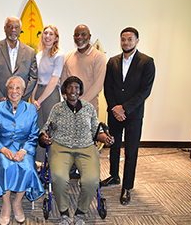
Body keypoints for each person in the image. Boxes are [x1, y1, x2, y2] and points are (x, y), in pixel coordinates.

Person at [39, 76, 114, 225]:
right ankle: (64, 213)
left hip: (85, 147)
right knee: (59, 177)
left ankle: (81, 212)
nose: (73, 90)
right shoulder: (57, 108)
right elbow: (45, 129)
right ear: (65, 91)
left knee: (92, 180)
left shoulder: (89, 108)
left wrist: (105, 138)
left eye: (77, 88)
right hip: (60, 147)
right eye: (70, 87)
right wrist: (44, 138)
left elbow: (95, 131)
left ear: (80, 91)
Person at [102, 27, 155, 206]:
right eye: (123, 39)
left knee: (131, 151)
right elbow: (108, 87)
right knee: (114, 146)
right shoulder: (112, 61)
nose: (126, 42)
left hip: (133, 115)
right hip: (114, 114)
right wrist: (114, 108)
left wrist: (124, 108)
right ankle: (114, 176)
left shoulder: (147, 62)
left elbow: (145, 91)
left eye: (130, 39)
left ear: (137, 41)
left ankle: (127, 186)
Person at [0, 76, 45, 225]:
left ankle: (17, 203)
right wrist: (2, 149)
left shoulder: (31, 109)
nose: (14, 91)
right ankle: (6, 204)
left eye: (18, 88)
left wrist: (24, 151)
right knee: (6, 167)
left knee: (27, 167)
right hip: (2, 147)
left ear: (23, 90)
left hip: (23, 148)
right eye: (11, 87)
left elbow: (34, 135)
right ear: (7, 91)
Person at [0, 16, 38, 105]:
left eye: (16, 27)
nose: (13, 30)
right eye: (10, 26)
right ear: (5, 29)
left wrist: (22, 98)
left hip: (21, 102)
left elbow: (33, 77)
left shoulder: (30, 52)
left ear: (20, 30)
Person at [31, 24, 64, 163]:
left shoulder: (59, 55)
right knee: (39, 128)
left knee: (50, 129)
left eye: (51, 34)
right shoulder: (39, 54)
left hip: (51, 94)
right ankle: (39, 163)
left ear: (56, 38)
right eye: (45, 33)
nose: (47, 36)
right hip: (38, 92)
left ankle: (52, 164)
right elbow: (35, 79)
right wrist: (33, 98)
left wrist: (41, 99)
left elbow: (54, 79)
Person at [60, 24, 106, 112]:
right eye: (77, 35)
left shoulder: (98, 56)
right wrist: (68, 100)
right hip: (69, 109)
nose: (79, 37)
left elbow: (98, 85)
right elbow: (63, 82)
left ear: (89, 36)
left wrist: (79, 103)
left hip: (89, 109)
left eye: (83, 34)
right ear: (73, 37)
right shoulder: (68, 56)